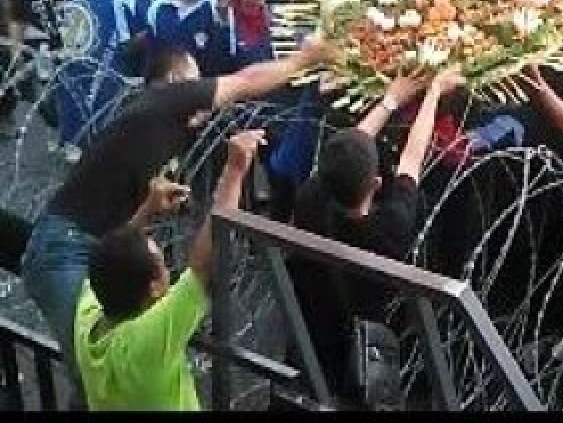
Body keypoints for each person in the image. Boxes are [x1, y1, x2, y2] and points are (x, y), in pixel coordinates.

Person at [20, 36, 334, 389]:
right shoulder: (163, 101)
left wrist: (148, 209)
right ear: (175, 84)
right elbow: (245, 81)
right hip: (65, 252)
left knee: (108, 376)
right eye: (194, 79)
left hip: (100, 248)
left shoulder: (168, 127)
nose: (204, 92)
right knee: (105, 376)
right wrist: (304, 59)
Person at [289, 67, 463, 404]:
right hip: (372, 337)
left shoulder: (311, 196)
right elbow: (412, 157)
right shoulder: (390, 227)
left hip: (318, 324)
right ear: (376, 184)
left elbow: (348, 147)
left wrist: (390, 101)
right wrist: (433, 93)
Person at [74, 128, 264, 411]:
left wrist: (147, 210)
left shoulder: (87, 317)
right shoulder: (146, 344)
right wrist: (235, 170)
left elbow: (112, 252)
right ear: (153, 287)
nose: (168, 271)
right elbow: (201, 264)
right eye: (162, 263)